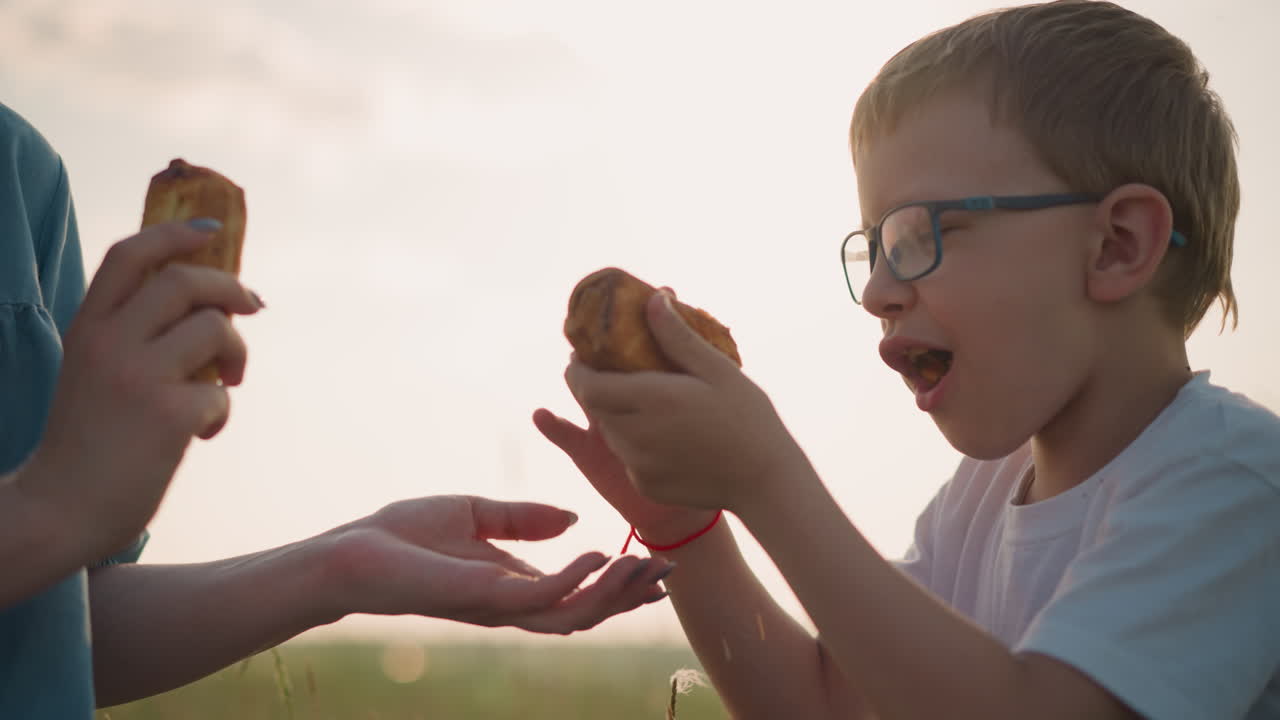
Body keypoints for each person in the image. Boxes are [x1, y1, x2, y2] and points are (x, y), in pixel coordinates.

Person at [535, 1, 1280, 718]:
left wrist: (768, 478)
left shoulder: (1234, 482)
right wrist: (684, 528)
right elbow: (828, 709)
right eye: (876, 249)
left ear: (1117, 245)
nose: (879, 292)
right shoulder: (981, 495)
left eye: (922, 235)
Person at [0, 101, 675, 718]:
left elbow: (51, 636)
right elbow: (50, 528)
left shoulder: (23, 175)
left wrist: (340, 566)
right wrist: (52, 512)